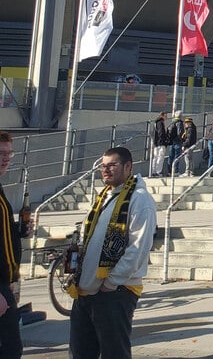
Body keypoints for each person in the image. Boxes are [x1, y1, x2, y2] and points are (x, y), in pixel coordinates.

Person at [69, 146, 157, 359]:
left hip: (114, 292)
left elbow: (138, 247)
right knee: (80, 352)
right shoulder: (105, 196)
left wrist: (111, 283)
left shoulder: (140, 199)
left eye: (112, 165)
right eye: (103, 166)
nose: (105, 170)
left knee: (114, 353)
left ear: (128, 167)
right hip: (86, 290)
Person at [0, 132, 28, 358]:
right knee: (10, 348)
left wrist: (17, 230)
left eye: (9, 153)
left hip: (6, 282)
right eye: (1, 153)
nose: (6, 158)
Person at [150, 111, 169, 177]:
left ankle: (153, 171)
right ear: (162, 116)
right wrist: (164, 141)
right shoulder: (160, 123)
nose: (166, 117)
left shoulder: (155, 123)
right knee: (160, 157)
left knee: (155, 157)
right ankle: (158, 172)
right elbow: (161, 133)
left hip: (156, 143)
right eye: (165, 116)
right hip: (161, 143)